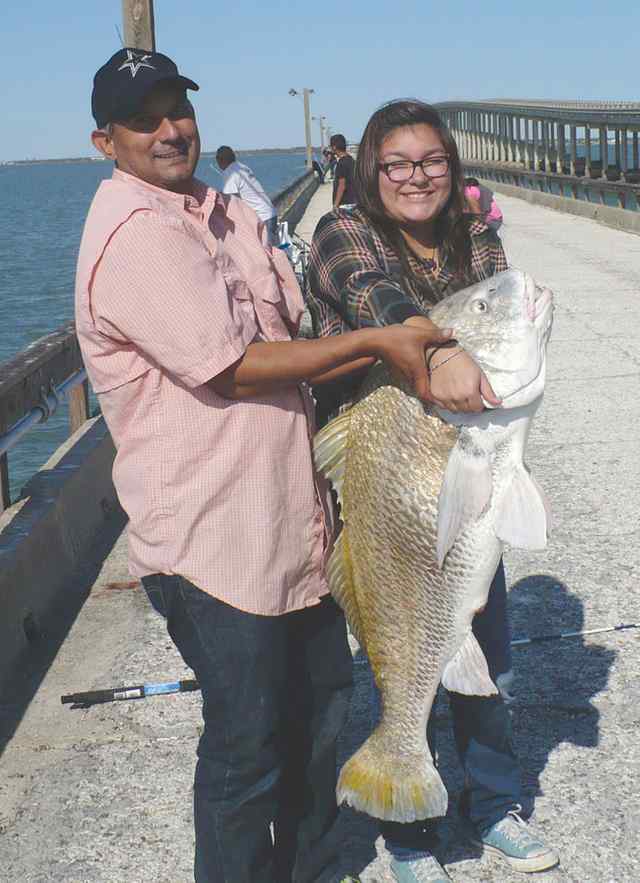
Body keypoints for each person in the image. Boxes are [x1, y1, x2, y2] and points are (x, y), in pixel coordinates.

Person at [75, 51, 454, 883]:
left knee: (322, 717)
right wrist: (376, 341)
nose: (171, 130)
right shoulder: (135, 235)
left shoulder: (220, 209)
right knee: (248, 749)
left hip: (296, 529)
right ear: (106, 140)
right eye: (145, 120)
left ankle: (314, 870)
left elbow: (296, 322)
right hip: (214, 541)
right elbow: (235, 364)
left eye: (179, 108)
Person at [307, 99, 559, 882]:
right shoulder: (342, 232)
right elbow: (372, 298)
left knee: (489, 657)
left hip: (468, 468)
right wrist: (442, 343)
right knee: (401, 656)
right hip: (388, 482)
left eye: (432, 162)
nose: (417, 178)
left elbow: (502, 315)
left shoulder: (476, 236)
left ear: (452, 169)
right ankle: (407, 829)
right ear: (371, 171)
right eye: (398, 164)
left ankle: (492, 806)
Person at [215, 144, 279, 245]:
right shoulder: (242, 167)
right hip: (270, 213)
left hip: (262, 218)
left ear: (221, 160)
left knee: (266, 255)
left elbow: (230, 202)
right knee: (273, 252)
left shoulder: (230, 173)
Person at [329, 133, 357, 209]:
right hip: (353, 201)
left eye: (330, 146)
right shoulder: (351, 160)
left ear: (334, 147)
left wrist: (335, 205)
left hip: (345, 204)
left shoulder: (341, 163)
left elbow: (342, 185)